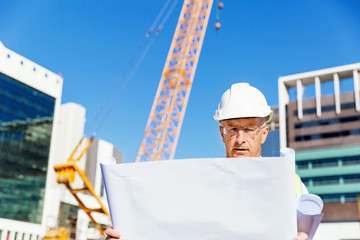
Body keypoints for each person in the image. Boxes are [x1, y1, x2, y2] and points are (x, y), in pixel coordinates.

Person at [105, 82, 309, 240]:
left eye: (248, 129)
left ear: (264, 134)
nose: (240, 139)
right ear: (222, 134)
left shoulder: (291, 185)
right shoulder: (197, 185)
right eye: (232, 129)